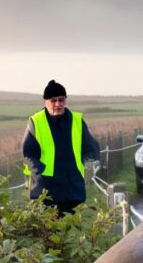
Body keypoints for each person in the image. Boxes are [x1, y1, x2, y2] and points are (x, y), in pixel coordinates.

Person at [22, 80, 100, 215]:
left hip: (73, 189)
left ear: (65, 100)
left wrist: (90, 164)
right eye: (53, 100)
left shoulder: (77, 120)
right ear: (45, 101)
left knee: (71, 231)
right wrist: (39, 171)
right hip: (46, 190)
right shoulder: (36, 121)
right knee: (48, 232)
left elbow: (92, 148)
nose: (58, 104)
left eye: (61, 100)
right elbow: (28, 153)